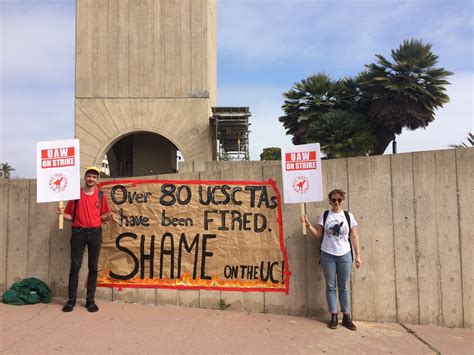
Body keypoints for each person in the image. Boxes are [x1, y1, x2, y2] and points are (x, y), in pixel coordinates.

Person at [302, 189, 361, 330]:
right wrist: (308, 224)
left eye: (339, 200)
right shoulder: (325, 215)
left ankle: (346, 316)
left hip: (345, 255)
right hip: (327, 255)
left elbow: (354, 236)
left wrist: (358, 254)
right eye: (333, 200)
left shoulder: (348, 216)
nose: (336, 202)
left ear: (343, 200)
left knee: (344, 287)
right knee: (330, 286)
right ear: (330, 201)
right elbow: (318, 234)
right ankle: (333, 316)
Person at [57, 166, 113, 312]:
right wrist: (62, 214)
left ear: (97, 179)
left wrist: (108, 217)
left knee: (93, 268)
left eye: (94, 177)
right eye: (89, 176)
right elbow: (70, 216)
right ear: (85, 177)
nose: (91, 179)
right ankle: (71, 300)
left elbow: (103, 216)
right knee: (75, 266)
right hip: (78, 233)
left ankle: (90, 300)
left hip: (95, 233)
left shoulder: (101, 196)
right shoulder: (76, 195)